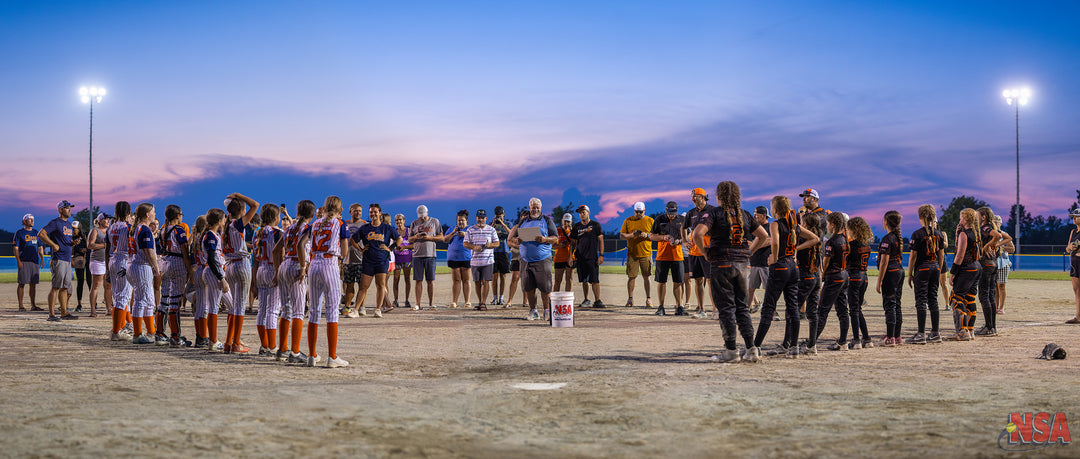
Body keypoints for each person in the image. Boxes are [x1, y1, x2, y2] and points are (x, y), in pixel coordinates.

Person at [691, 181, 768, 363]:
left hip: (722, 263)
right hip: (742, 265)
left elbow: (696, 234)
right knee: (742, 308)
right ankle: (751, 350)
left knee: (726, 308)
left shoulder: (714, 213)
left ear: (719, 196)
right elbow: (763, 235)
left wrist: (705, 252)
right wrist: (749, 252)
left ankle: (731, 351)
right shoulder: (745, 214)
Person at [752, 196, 818, 357]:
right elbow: (815, 239)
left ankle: (755, 346)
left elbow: (775, 242)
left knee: (768, 308)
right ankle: (793, 347)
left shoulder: (776, 224)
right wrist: (795, 250)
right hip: (793, 267)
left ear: (775, 209)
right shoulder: (794, 225)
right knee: (792, 308)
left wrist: (774, 257)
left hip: (780, 266)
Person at [300, 196, 350, 368]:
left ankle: (312, 355)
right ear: (340, 210)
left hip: (314, 263)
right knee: (332, 311)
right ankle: (332, 356)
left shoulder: (314, 223)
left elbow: (302, 244)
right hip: (329, 263)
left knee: (313, 310)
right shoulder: (340, 223)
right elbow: (344, 251)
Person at [275, 200, 316, 363]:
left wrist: (277, 269)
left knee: (286, 310)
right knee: (298, 312)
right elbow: (300, 246)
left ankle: (282, 349)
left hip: (284, 265)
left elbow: (275, 250)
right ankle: (295, 352)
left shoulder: (290, 227)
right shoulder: (308, 228)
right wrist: (302, 267)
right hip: (295, 266)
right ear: (312, 215)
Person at [509, 198, 559, 321]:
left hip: (542, 259)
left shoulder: (547, 221)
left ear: (541, 208)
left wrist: (545, 239)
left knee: (545, 287)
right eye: (533, 207)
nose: (535, 209)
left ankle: (547, 311)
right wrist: (517, 240)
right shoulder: (522, 222)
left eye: (537, 207)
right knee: (528, 287)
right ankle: (533, 311)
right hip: (525, 260)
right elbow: (514, 238)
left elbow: (555, 238)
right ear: (529, 207)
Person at [222, 193, 259, 354]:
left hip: (229, 265)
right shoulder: (237, 224)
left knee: (234, 307)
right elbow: (256, 204)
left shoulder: (226, 226)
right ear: (242, 211)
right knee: (239, 306)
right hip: (241, 265)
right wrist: (238, 195)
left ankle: (229, 342)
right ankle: (236, 342)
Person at [905, 204, 946, 344]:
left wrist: (909, 273)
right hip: (935, 267)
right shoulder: (939, 234)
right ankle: (935, 332)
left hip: (922, 269)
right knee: (933, 300)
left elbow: (913, 257)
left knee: (921, 301)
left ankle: (921, 334)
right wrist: (939, 269)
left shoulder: (917, 234)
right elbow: (941, 256)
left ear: (920, 217)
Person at [354, 203, 401, 319]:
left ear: (380, 213)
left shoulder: (386, 228)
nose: (373, 214)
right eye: (371, 212)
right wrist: (361, 249)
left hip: (382, 260)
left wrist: (390, 248)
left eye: (375, 212)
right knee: (363, 286)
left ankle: (378, 309)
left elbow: (399, 239)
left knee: (380, 285)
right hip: (368, 260)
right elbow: (353, 240)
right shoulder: (365, 228)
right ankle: (355, 310)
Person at [814, 212, 850, 353]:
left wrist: (822, 274)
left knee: (822, 310)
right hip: (843, 275)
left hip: (834, 276)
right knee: (842, 310)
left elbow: (826, 261)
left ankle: (811, 342)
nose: (826, 226)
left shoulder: (832, 241)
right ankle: (843, 341)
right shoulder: (845, 239)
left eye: (828, 223)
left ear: (833, 224)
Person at [159, 205, 194, 347]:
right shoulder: (178, 230)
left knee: (164, 299)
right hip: (177, 262)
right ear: (177, 215)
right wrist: (188, 268)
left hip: (165, 261)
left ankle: (159, 333)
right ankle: (175, 335)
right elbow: (184, 250)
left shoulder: (162, 230)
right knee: (174, 301)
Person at [38, 200, 78, 321]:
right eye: (66, 208)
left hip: (66, 259)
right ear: (60, 210)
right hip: (58, 259)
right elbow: (41, 234)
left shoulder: (69, 225)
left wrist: (73, 243)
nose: (69, 209)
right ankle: (51, 314)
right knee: (56, 286)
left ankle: (64, 313)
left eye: (70, 208)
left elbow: (65, 241)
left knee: (65, 287)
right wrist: (53, 244)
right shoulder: (55, 222)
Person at [127, 203, 161, 344]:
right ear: (147, 214)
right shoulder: (145, 229)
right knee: (141, 301)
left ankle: (151, 331)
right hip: (141, 266)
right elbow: (149, 251)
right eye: (153, 211)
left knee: (149, 301)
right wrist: (156, 268)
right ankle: (137, 334)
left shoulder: (138, 228)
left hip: (136, 265)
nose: (154, 213)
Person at [197, 209, 230, 351]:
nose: (224, 222)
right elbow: (211, 259)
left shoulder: (214, 234)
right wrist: (221, 278)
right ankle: (213, 340)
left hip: (214, 272)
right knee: (214, 307)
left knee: (231, 305)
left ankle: (228, 339)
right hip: (213, 273)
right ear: (218, 221)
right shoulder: (210, 235)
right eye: (223, 219)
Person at [253, 204, 284, 355]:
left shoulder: (256, 233)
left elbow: (255, 260)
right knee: (273, 310)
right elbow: (281, 254)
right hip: (273, 269)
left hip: (260, 269)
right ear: (276, 217)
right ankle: (272, 346)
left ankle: (264, 345)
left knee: (262, 310)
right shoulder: (278, 232)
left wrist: (253, 281)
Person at [948, 208, 982, 340]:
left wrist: (953, 273)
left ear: (966, 219)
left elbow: (960, 255)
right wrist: (957, 235)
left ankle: (962, 332)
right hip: (976, 267)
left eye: (961, 218)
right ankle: (970, 330)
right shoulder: (975, 233)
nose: (960, 220)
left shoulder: (965, 234)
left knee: (956, 298)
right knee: (970, 298)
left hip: (966, 268)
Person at [648, 201, 687, 316]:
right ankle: (661, 307)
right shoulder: (659, 219)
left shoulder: (682, 219)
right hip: (662, 255)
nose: (672, 215)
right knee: (661, 282)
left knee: (678, 282)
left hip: (677, 256)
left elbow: (686, 236)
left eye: (674, 213)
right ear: (666, 210)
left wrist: (679, 241)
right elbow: (651, 236)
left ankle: (679, 306)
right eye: (670, 213)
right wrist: (663, 237)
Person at [875, 211, 904, 346]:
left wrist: (879, 280)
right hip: (899, 270)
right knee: (896, 304)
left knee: (890, 304)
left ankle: (890, 337)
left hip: (891, 272)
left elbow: (884, 261)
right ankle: (896, 335)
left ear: (886, 221)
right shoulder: (897, 237)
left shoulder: (888, 238)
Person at [975, 207, 1004, 337]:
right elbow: (1002, 236)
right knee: (991, 296)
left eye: (978, 215)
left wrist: (986, 246)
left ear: (984, 217)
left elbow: (998, 236)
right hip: (993, 263)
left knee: (984, 296)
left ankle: (988, 327)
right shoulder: (988, 227)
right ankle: (992, 327)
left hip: (986, 264)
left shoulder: (985, 228)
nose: (976, 217)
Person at [684, 188, 713, 319]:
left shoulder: (712, 210)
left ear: (702, 197)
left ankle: (716, 309)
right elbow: (683, 227)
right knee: (698, 281)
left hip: (708, 252)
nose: (693, 199)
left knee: (711, 281)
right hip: (694, 252)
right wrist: (684, 240)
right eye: (692, 196)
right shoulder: (691, 213)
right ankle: (701, 309)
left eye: (695, 196)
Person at [108, 202, 134, 340]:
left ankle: (123, 326)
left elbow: (108, 246)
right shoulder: (128, 227)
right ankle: (116, 331)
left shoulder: (111, 227)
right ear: (129, 212)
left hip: (112, 259)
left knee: (118, 296)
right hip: (124, 260)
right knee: (123, 296)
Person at [464, 209, 500, 310]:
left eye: (482, 218)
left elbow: (497, 243)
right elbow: (465, 243)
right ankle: (480, 302)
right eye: (479, 218)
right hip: (475, 260)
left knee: (485, 281)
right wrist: (474, 247)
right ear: (476, 218)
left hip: (487, 260)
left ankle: (483, 303)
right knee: (477, 282)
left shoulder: (491, 230)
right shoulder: (470, 230)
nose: (480, 220)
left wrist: (489, 245)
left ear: (486, 218)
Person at [620, 201, 654, 308]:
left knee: (646, 276)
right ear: (634, 210)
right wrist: (632, 235)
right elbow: (621, 235)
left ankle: (648, 299)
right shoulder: (628, 220)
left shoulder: (650, 220)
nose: (638, 214)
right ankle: (630, 299)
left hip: (646, 253)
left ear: (644, 211)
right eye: (636, 212)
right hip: (632, 254)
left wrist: (647, 235)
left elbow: (656, 235)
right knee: (631, 277)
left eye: (640, 212)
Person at [409, 205, 443, 310]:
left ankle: (431, 303)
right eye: (420, 216)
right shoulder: (414, 223)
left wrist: (429, 237)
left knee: (430, 281)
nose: (422, 218)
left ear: (427, 213)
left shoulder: (435, 221)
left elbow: (441, 237)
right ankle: (417, 304)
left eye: (423, 216)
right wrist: (416, 237)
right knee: (418, 281)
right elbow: (409, 239)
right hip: (417, 255)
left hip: (430, 255)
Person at [571, 205, 604, 308]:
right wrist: (570, 257)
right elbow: (573, 243)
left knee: (594, 279)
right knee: (584, 280)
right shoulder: (576, 227)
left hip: (592, 257)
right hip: (580, 257)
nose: (581, 214)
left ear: (588, 213)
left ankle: (597, 300)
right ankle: (586, 299)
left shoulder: (595, 225)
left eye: (583, 212)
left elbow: (601, 241)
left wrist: (601, 255)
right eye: (580, 213)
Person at [14, 213, 44, 312]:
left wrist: (42, 259)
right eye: (30, 219)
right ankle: (21, 305)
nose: (32, 221)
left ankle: (33, 305)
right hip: (24, 261)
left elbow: (40, 247)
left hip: (34, 261)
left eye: (32, 219)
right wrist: (18, 261)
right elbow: (16, 248)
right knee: (22, 283)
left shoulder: (36, 232)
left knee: (33, 284)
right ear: (24, 221)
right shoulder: (19, 233)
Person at [341, 203, 367, 317]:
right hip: (348, 260)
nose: (358, 213)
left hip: (361, 260)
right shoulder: (345, 224)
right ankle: (347, 306)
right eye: (355, 211)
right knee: (349, 285)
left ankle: (362, 307)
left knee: (362, 286)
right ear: (350, 211)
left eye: (360, 211)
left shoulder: (364, 224)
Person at [444, 210, 473, 308]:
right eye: (458, 220)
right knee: (456, 280)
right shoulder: (452, 229)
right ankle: (454, 301)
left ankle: (467, 301)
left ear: (466, 221)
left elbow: (475, 239)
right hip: (454, 258)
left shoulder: (470, 229)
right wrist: (453, 232)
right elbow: (445, 240)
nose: (460, 222)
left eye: (462, 220)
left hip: (466, 257)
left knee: (466, 280)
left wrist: (465, 235)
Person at [747, 206, 772, 314]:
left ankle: (772, 311)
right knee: (750, 288)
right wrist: (761, 241)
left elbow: (771, 241)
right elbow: (747, 243)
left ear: (763, 216)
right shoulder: (753, 228)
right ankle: (746, 309)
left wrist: (755, 244)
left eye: (756, 214)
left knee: (769, 290)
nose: (754, 217)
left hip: (765, 263)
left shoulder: (770, 227)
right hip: (754, 262)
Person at [86, 213, 110, 317]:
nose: (108, 221)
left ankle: (109, 309)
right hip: (97, 260)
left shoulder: (109, 231)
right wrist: (104, 245)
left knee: (108, 286)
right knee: (96, 285)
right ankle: (93, 310)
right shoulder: (95, 230)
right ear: (100, 221)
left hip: (108, 261)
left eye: (108, 219)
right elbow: (90, 245)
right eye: (105, 219)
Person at [392, 213, 414, 309]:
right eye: (396, 220)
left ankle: (407, 300)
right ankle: (395, 300)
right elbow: (391, 244)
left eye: (400, 219)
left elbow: (414, 245)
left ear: (404, 221)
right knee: (396, 279)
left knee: (407, 279)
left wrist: (405, 247)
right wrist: (395, 248)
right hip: (397, 258)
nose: (398, 221)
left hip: (407, 258)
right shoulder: (394, 231)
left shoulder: (409, 231)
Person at [491, 206, 512, 306]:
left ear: (503, 215)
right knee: (494, 276)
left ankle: (501, 298)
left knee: (503, 276)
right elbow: (487, 233)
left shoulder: (508, 223)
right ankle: (495, 298)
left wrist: (503, 224)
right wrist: (493, 224)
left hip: (504, 252)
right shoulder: (492, 224)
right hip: (494, 252)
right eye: (497, 216)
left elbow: (510, 233)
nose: (498, 217)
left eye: (500, 215)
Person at [993, 215, 1014, 315]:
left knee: (1001, 285)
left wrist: (1002, 248)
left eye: (997, 222)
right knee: (995, 287)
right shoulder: (991, 234)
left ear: (1000, 223)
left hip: (1003, 262)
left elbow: (1012, 249)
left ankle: (1001, 308)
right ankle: (995, 307)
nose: (995, 223)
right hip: (993, 262)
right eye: (993, 222)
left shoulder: (1004, 234)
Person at [552, 213, 575, 292]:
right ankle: (554, 299)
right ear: (562, 221)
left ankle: (567, 300)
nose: (566, 223)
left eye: (568, 221)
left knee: (569, 280)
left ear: (571, 222)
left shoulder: (573, 232)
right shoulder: (557, 231)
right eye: (565, 221)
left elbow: (576, 244)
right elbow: (552, 246)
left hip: (570, 258)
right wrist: (559, 245)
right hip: (559, 258)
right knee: (557, 280)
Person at [1065, 209, 1080, 324]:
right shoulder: (1073, 232)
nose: (1074, 218)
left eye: (1076, 216)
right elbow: (1068, 247)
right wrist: (1071, 248)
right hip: (1074, 263)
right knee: (1077, 291)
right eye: (1073, 217)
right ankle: (1078, 316)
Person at [71, 222, 88, 312]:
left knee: (90, 282)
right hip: (78, 260)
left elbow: (88, 247)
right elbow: (71, 251)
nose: (74, 231)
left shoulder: (84, 236)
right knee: (80, 281)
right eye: (73, 229)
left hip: (87, 260)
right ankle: (79, 304)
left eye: (75, 229)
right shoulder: (70, 238)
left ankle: (94, 303)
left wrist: (85, 250)